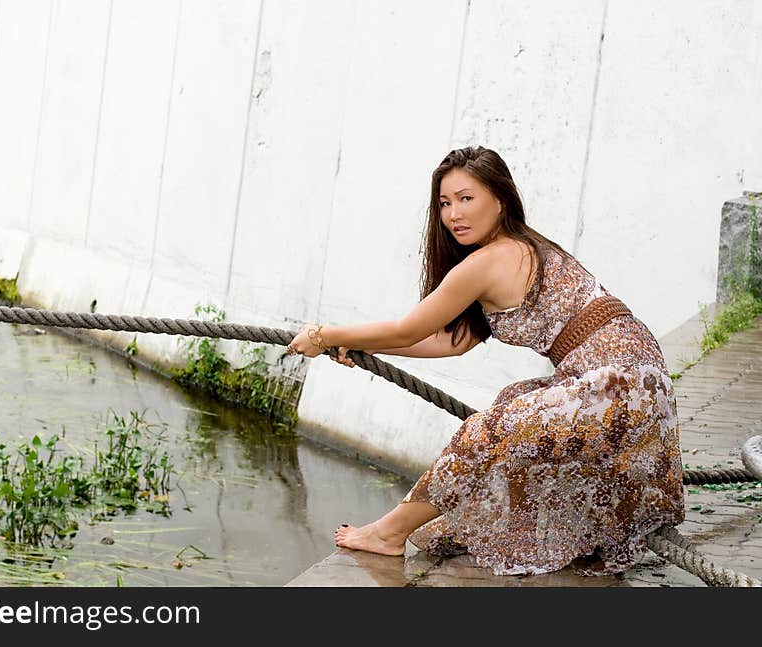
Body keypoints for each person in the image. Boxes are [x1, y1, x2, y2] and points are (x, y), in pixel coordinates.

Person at [285, 145, 685, 576]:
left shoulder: (492, 259)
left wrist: (324, 334)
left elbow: (409, 329)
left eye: (466, 198)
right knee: (511, 404)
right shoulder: (519, 248)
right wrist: (362, 348)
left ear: (500, 198)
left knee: (485, 432)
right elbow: (452, 342)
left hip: (616, 381)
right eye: (444, 203)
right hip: (640, 382)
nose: (454, 213)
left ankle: (389, 533)